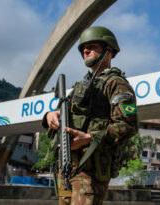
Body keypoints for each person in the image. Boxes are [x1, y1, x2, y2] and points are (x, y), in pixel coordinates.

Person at [42, 26, 138, 205]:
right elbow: (62, 113)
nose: (85, 51)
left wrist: (90, 138)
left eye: (92, 46)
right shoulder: (81, 86)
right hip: (67, 167)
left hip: (91, 170)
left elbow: (128, 125)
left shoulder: (117, 84)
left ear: (108, 51)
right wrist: (50, 115)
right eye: (83, 48)